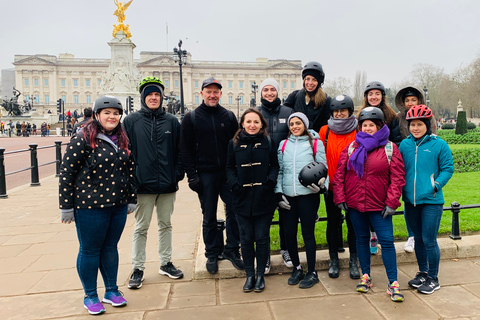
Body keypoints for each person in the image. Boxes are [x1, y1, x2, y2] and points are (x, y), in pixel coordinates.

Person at [59, 95, 136, 315]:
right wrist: (66, 206)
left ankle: (111, 290)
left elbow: (130, 169)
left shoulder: (122, 138)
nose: (112, 117)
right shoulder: (82, 137)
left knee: (110, 248)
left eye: (116, 113)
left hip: (117, 204)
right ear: (97, 115)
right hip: (89, 207)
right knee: (91, 250)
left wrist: (131, 198)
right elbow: (67, 173)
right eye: (107, 113)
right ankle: (90, 295)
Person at [332, 106, 406, 302]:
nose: (367, 128)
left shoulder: (389, 148)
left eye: (371, 125)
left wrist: (392, 202)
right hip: (356, 205)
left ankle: (393, 282)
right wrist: (340, 198)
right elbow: (339, 176)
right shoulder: (351, 148)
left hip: (380, 206)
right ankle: (366, 276)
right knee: (361, 239)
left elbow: (397, 178)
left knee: (387, 242)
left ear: (379, 126)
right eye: (364, 125)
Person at [123, 76, 185, 289]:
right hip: (143, 185)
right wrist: (132, 177)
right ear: (143, 97)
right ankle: (138, 267)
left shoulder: (171, 121)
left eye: (157, 94)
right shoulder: (131, 121)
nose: (153, 98)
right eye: (149, 94)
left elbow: (179, 149)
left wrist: (177, 172)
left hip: (167, 184)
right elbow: (126, 152)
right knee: (141, 227)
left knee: (165, 224)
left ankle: (165, 263)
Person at [180, 77, 244, 274]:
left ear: (220, 94)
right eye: (209, 92)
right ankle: (212, 252)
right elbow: (185, 149)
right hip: (205, 173)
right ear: (202, 94)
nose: (212, 95)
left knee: (234, 211)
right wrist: (192, 175)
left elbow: (237, 145)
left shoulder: (229, 116)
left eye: (216, 92)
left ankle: (232, 249)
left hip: (226, 172)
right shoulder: (191, 118)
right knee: (208, 214)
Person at [399, 104, 453, 295]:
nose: (415, 128)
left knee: (429, 240)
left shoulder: (439, 145)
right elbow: (398, 170)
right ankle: (423, 272)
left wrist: (435, 185)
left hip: (431, 201)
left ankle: (433, 278)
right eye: (412, 124)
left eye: (419, 124)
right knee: (418, 239)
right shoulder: (404, 145)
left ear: (427, 125)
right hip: (410, 201)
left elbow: (448, 168)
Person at [226, 108, 279, 292]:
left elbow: (274, 165)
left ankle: (261, 276)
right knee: (246, 238)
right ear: (242, 124)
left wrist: (269, 183)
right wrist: (234, 184)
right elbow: (229, 167)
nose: (252, 125)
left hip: (263, 198)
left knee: (262, 238)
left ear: (261, 124)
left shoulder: (268, 142)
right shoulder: (234, 143)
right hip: (241, 198)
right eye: (248, 122)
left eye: (256, 122)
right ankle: (250, 275)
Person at [275, 112, 328, 289]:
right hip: (288, 197)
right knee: (289, 233)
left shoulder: (315, 143)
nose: (295, 127)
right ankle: (297, 268)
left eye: (298, 123)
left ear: (304, 125)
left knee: (308, 234)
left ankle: (312, 271)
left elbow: (323, 167)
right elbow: (280, 171)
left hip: (308, 196)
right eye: (292, 124)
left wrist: (322, 186)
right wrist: (278, 193)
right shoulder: (283, 145)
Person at [357, 81, 402, 255]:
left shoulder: (391, 116)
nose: (374, 97)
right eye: (370, 94)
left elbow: (396, 139)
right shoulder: (361, 115)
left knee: (380, 201)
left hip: (384, 162)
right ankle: (371, 235)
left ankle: (378, 234)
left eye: (377, 93)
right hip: (366, 162)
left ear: (382, 96)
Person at [319, 94, 359, 279]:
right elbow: (319, 156)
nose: (339, 114)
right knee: (333, 223)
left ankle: (353, 261)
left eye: (343, 110)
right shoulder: (325, 131)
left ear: (349, 111)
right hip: (332, 187)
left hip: (353, 186)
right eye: (336, 111)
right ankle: (333, 260)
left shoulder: (358, 130)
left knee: (354, 225)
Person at [395, 87, 438, 253]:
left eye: (413, 100)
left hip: (423, 154)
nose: (410, 103)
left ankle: (423, 237)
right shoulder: (399, 118)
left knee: (423, 196)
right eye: (407, 101)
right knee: (409, 197)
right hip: (406, 153)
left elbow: (433, 134)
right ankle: (412, 235)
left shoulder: (428, 116)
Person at [257, 78, 294, 271]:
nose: (269, 93)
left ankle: (286, 248)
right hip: (263, 171)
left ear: (277, 92)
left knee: (286, 215)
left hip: (285, 169)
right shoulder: (256, 113)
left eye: (273, 89)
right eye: (266, 90)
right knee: (264, 216)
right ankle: (264, 255)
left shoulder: (288, 113)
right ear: (261, 93)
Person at [284, 61, 331, 132]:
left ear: (319, 82)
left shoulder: (326, 100)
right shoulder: (294, 96)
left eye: (314, 80)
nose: (310, 83)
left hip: (317, 139)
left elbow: (327, 124)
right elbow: (284, 113)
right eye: (307, 79)